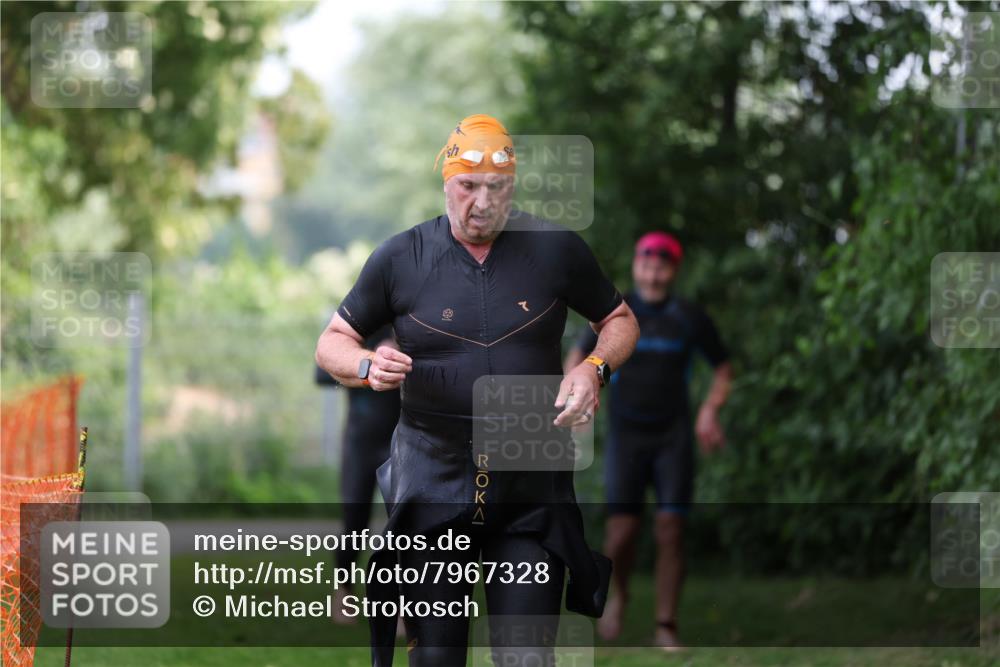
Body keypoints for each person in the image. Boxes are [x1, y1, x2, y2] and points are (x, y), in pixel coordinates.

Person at [315, 114, 639, 667]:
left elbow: (620, 319)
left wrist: (593, 369)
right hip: (433, 482)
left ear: (512, 186)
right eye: (468, 186)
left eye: (497, 188)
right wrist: (368, 365)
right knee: (435, 659)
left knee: (526, 658)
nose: (482, 202)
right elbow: (332, 342)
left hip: (529, 487)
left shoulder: (555, 249)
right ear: (446, 180)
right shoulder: (402, 257)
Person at [564, 231, 733, 649]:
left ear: (673, 270)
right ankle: (620, 595)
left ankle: (665, 625)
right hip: (627, 436)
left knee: (671, 529)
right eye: (646, 263)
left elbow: (723, 369)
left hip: (672, 436)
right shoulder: (618, 313)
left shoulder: (689, 316)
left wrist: (709, 409)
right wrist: (577, 395)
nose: (653, 271)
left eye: (662, 265)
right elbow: (578, 358)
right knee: (621, 534)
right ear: (637, 265)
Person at [314, 323, 400, 625]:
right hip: (360, 440)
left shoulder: (413, 322)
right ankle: (344, 592)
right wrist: (372, 362)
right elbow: (322, 374)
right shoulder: (361, 329)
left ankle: (401, 605)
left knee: (403, 527)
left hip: (402, 441)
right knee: (354, 524)